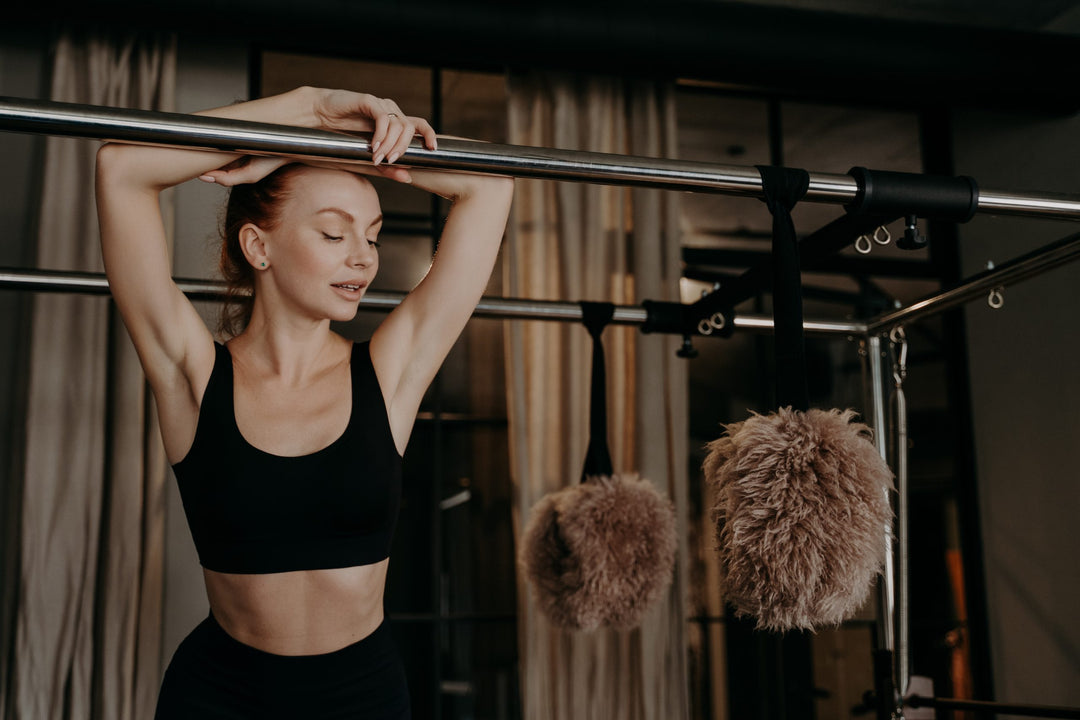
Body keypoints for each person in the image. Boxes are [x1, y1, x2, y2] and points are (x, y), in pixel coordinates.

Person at [95, 85, 514, 719]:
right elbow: (121, 169)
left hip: (363, 698)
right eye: (333, 232)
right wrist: (310, 112)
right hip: (218, 697)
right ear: (258, 247)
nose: (362, 259)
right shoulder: (192, 374)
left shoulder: (389, 372)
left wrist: (369, 149)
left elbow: (492, 186)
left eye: (371, 236)